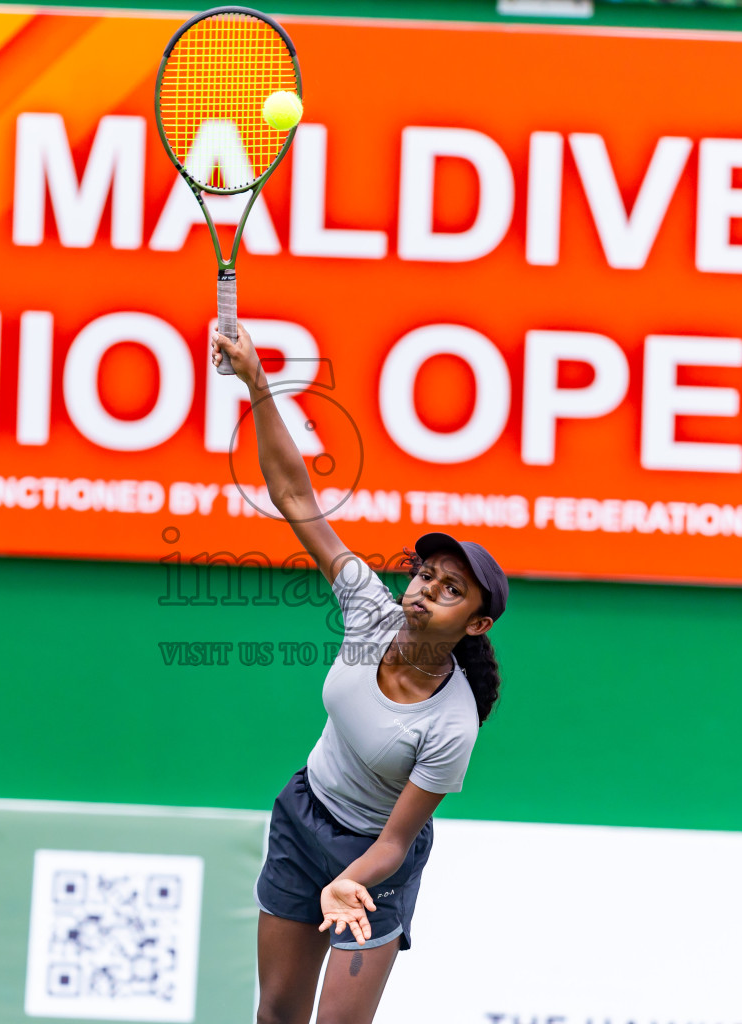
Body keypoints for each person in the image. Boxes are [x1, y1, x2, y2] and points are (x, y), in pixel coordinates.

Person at [211, 325, 508, 1024]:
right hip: (303, 814)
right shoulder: (370, 610)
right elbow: (295, 497)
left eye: (451, 590)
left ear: (476, 624)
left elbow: (397, 841)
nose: (426, 589)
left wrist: (346, 882)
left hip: (373, 859)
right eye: (426, 574)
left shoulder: (451, 724)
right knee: (276, 1015)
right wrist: (258, 381)